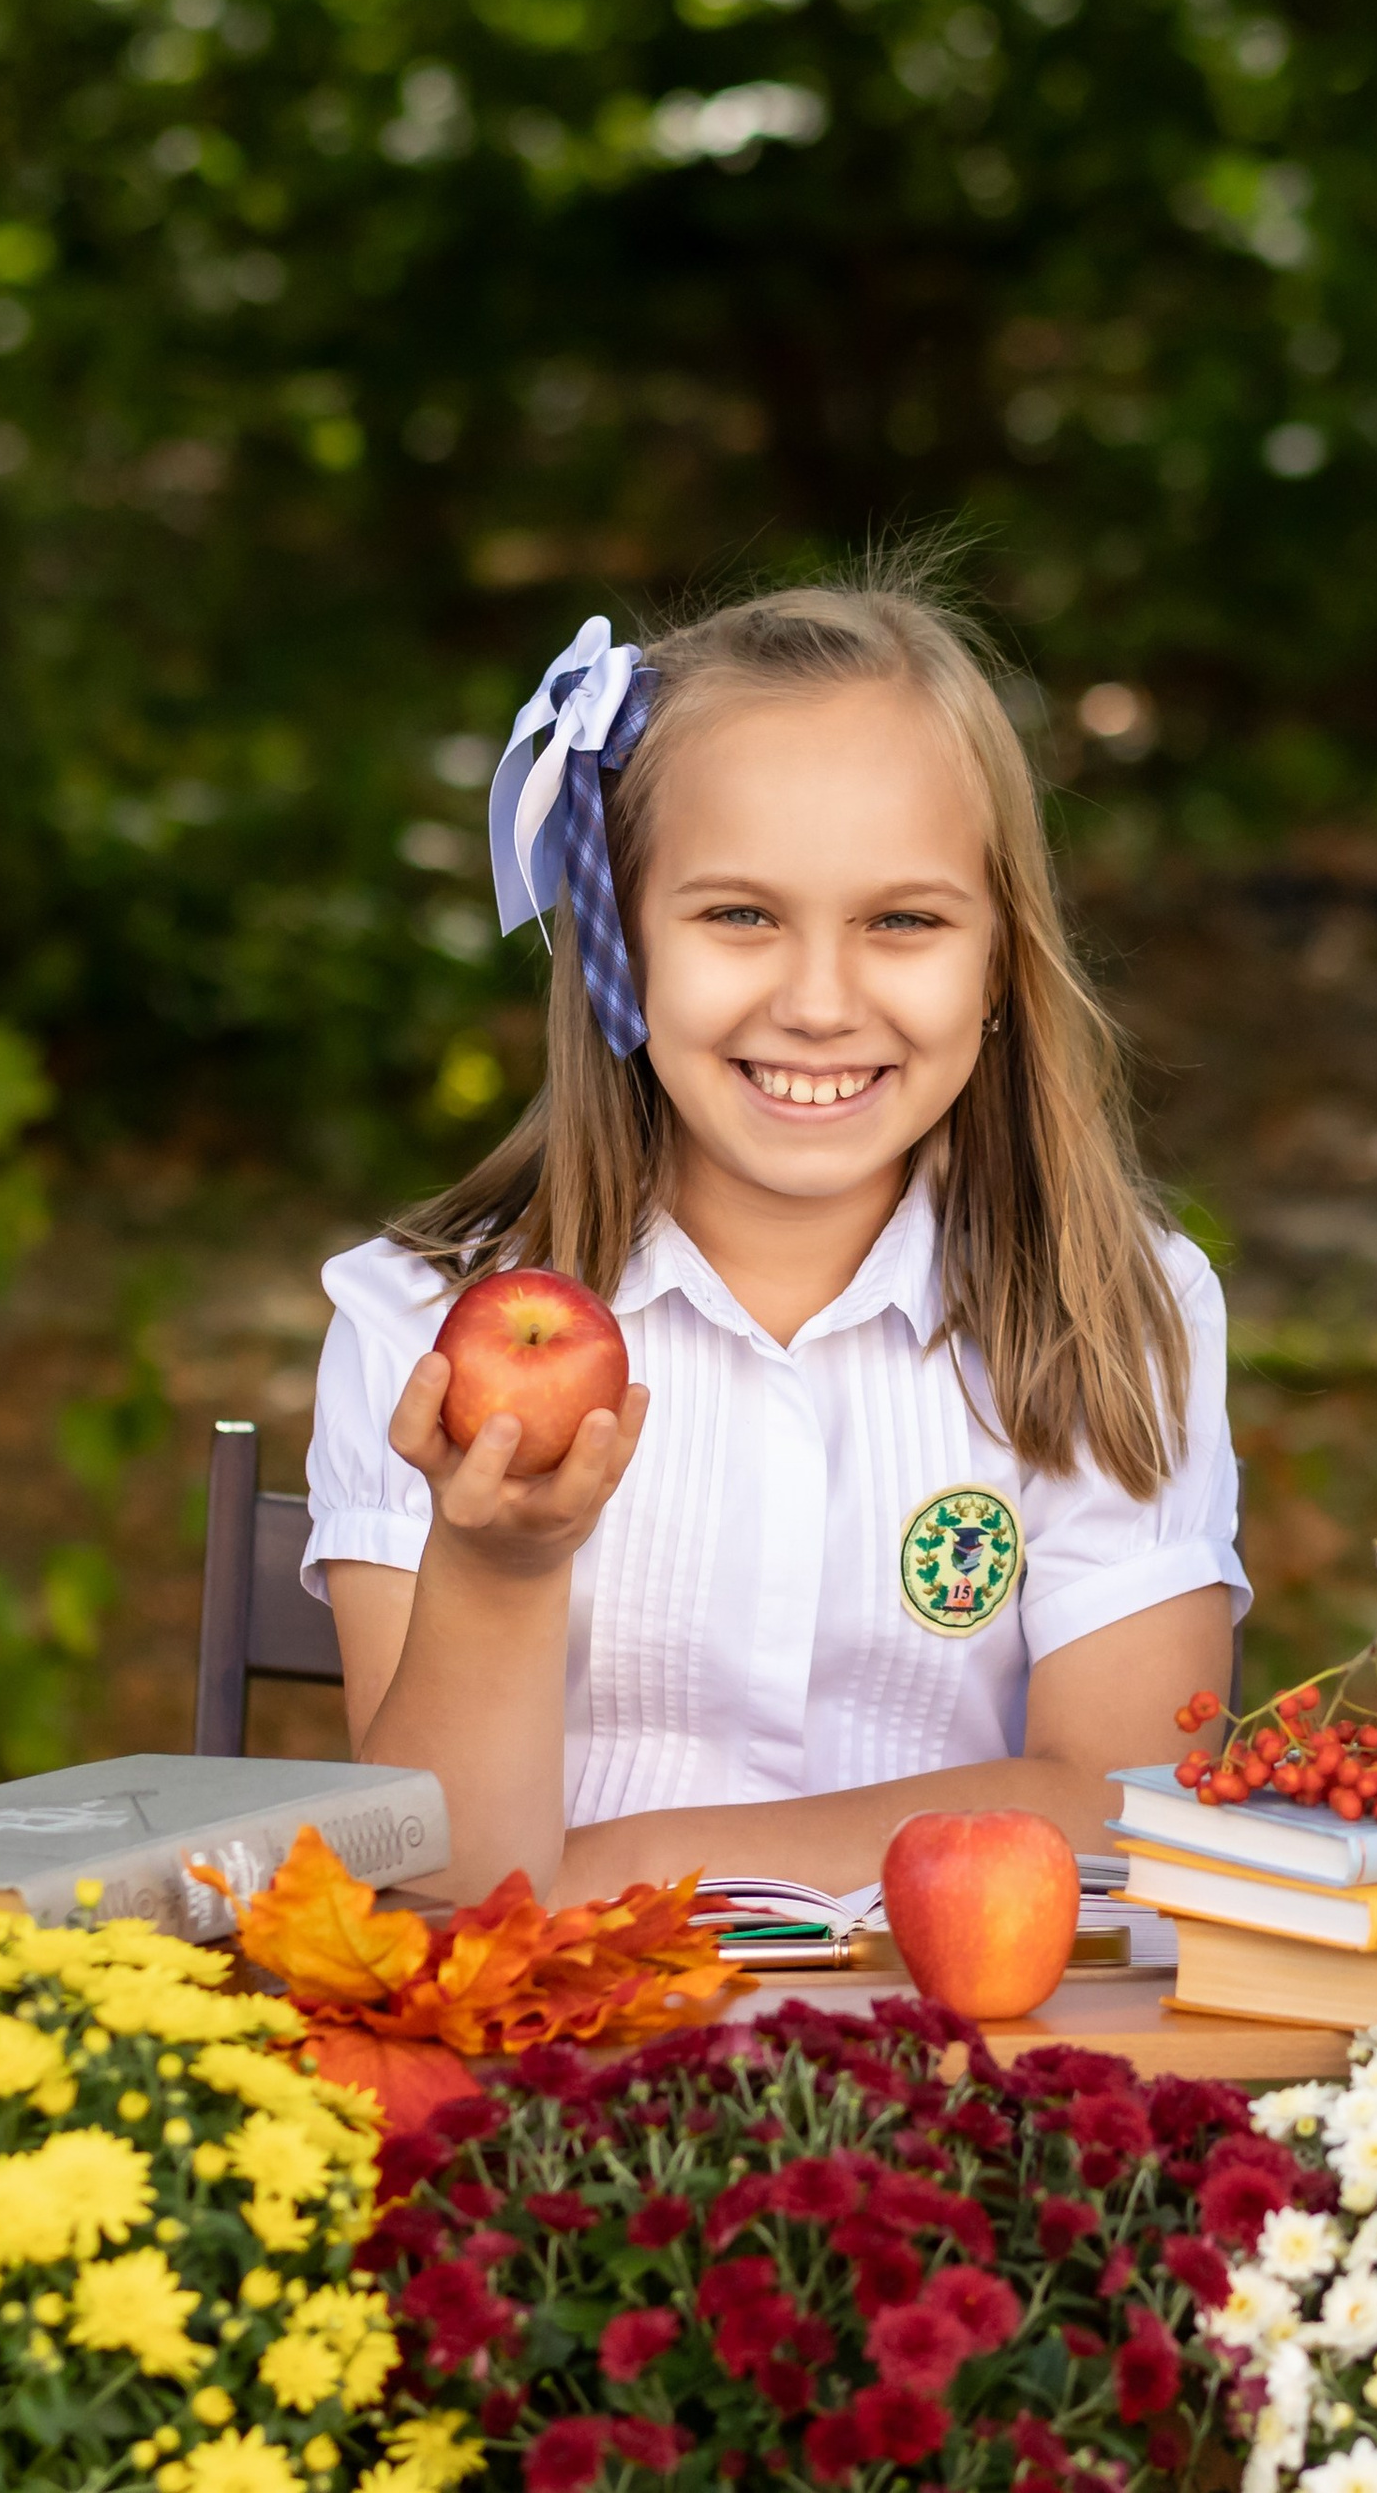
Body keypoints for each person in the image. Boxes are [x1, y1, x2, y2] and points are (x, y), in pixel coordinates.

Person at [303, 571, 1246, 1903]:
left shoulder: (1110, 1308)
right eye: (739, 916)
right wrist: (499, 1567)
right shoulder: (421, 1326)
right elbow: (448, 1885)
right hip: (550, 2074)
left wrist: (632, 1867)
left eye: (903, 922)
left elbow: (1124, 1799)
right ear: (622, 945)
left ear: (998, 968)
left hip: (966, 2065)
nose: (816, 1001)